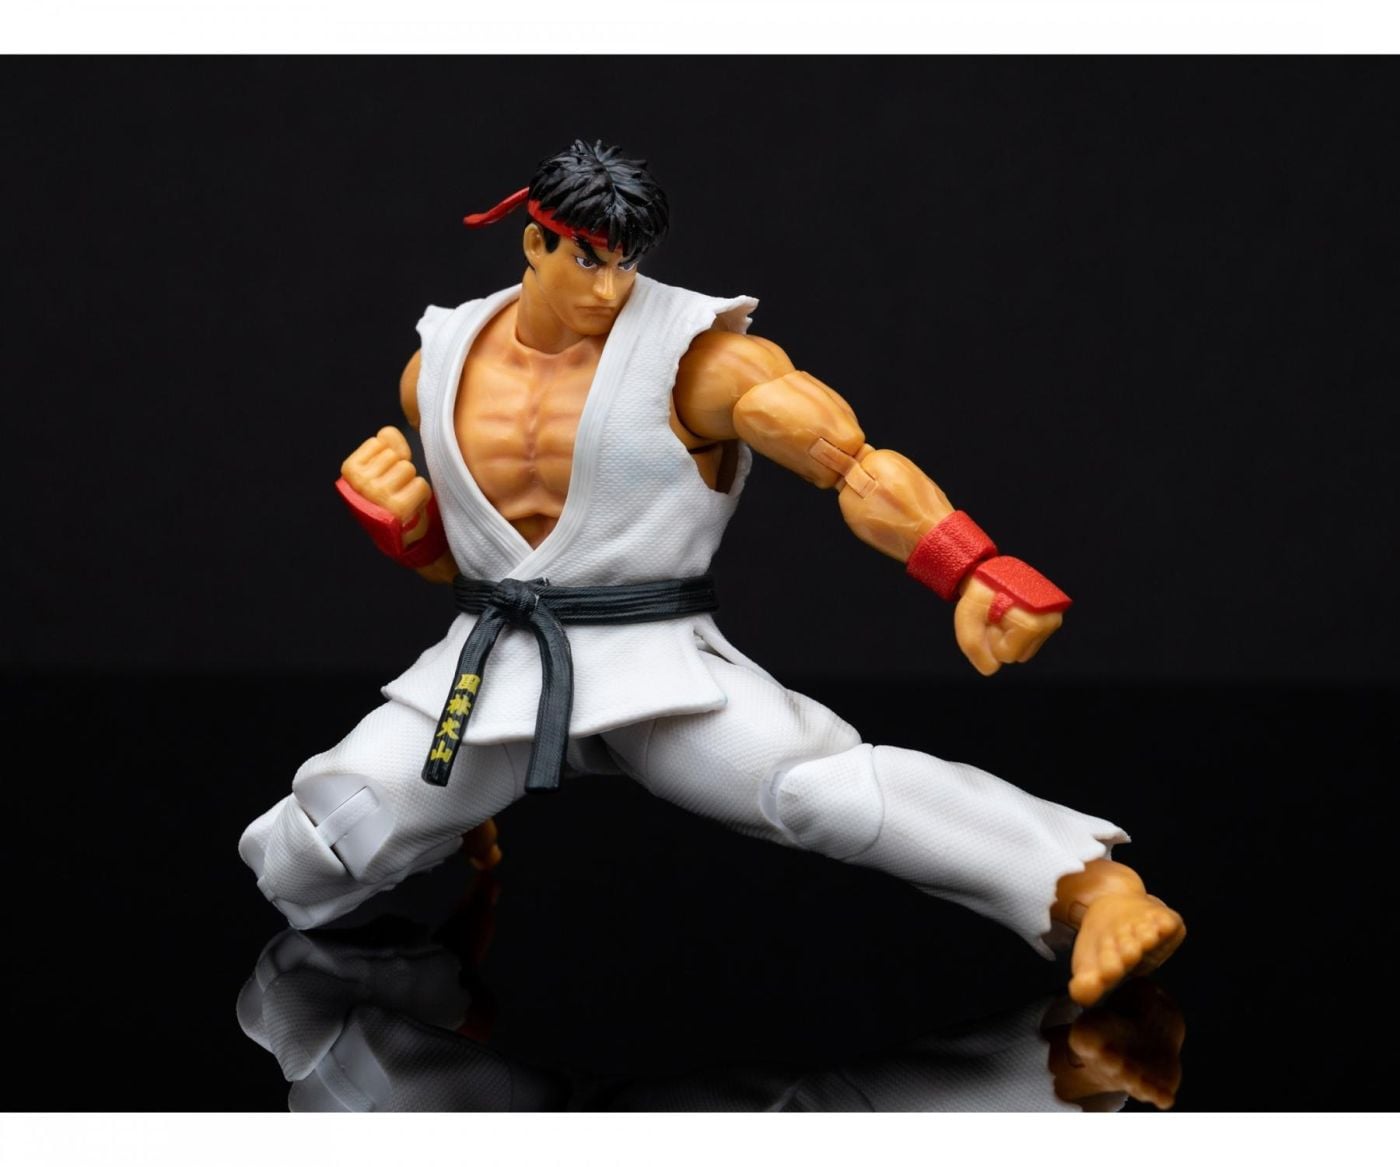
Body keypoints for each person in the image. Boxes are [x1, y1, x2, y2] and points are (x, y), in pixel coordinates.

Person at [240, 140, 1184, 1007]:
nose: (611, 287)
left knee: (818, 789)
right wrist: (407, 529)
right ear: (535, 240)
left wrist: (968, 569)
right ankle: (443, 828)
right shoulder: (436, 370)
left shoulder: (698, 360)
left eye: (626, 263)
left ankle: (1090, 889)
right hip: (492, 671)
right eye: (588, 260)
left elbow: (853, 465)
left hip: (659, 671)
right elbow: (474, 563)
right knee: (319, 843)